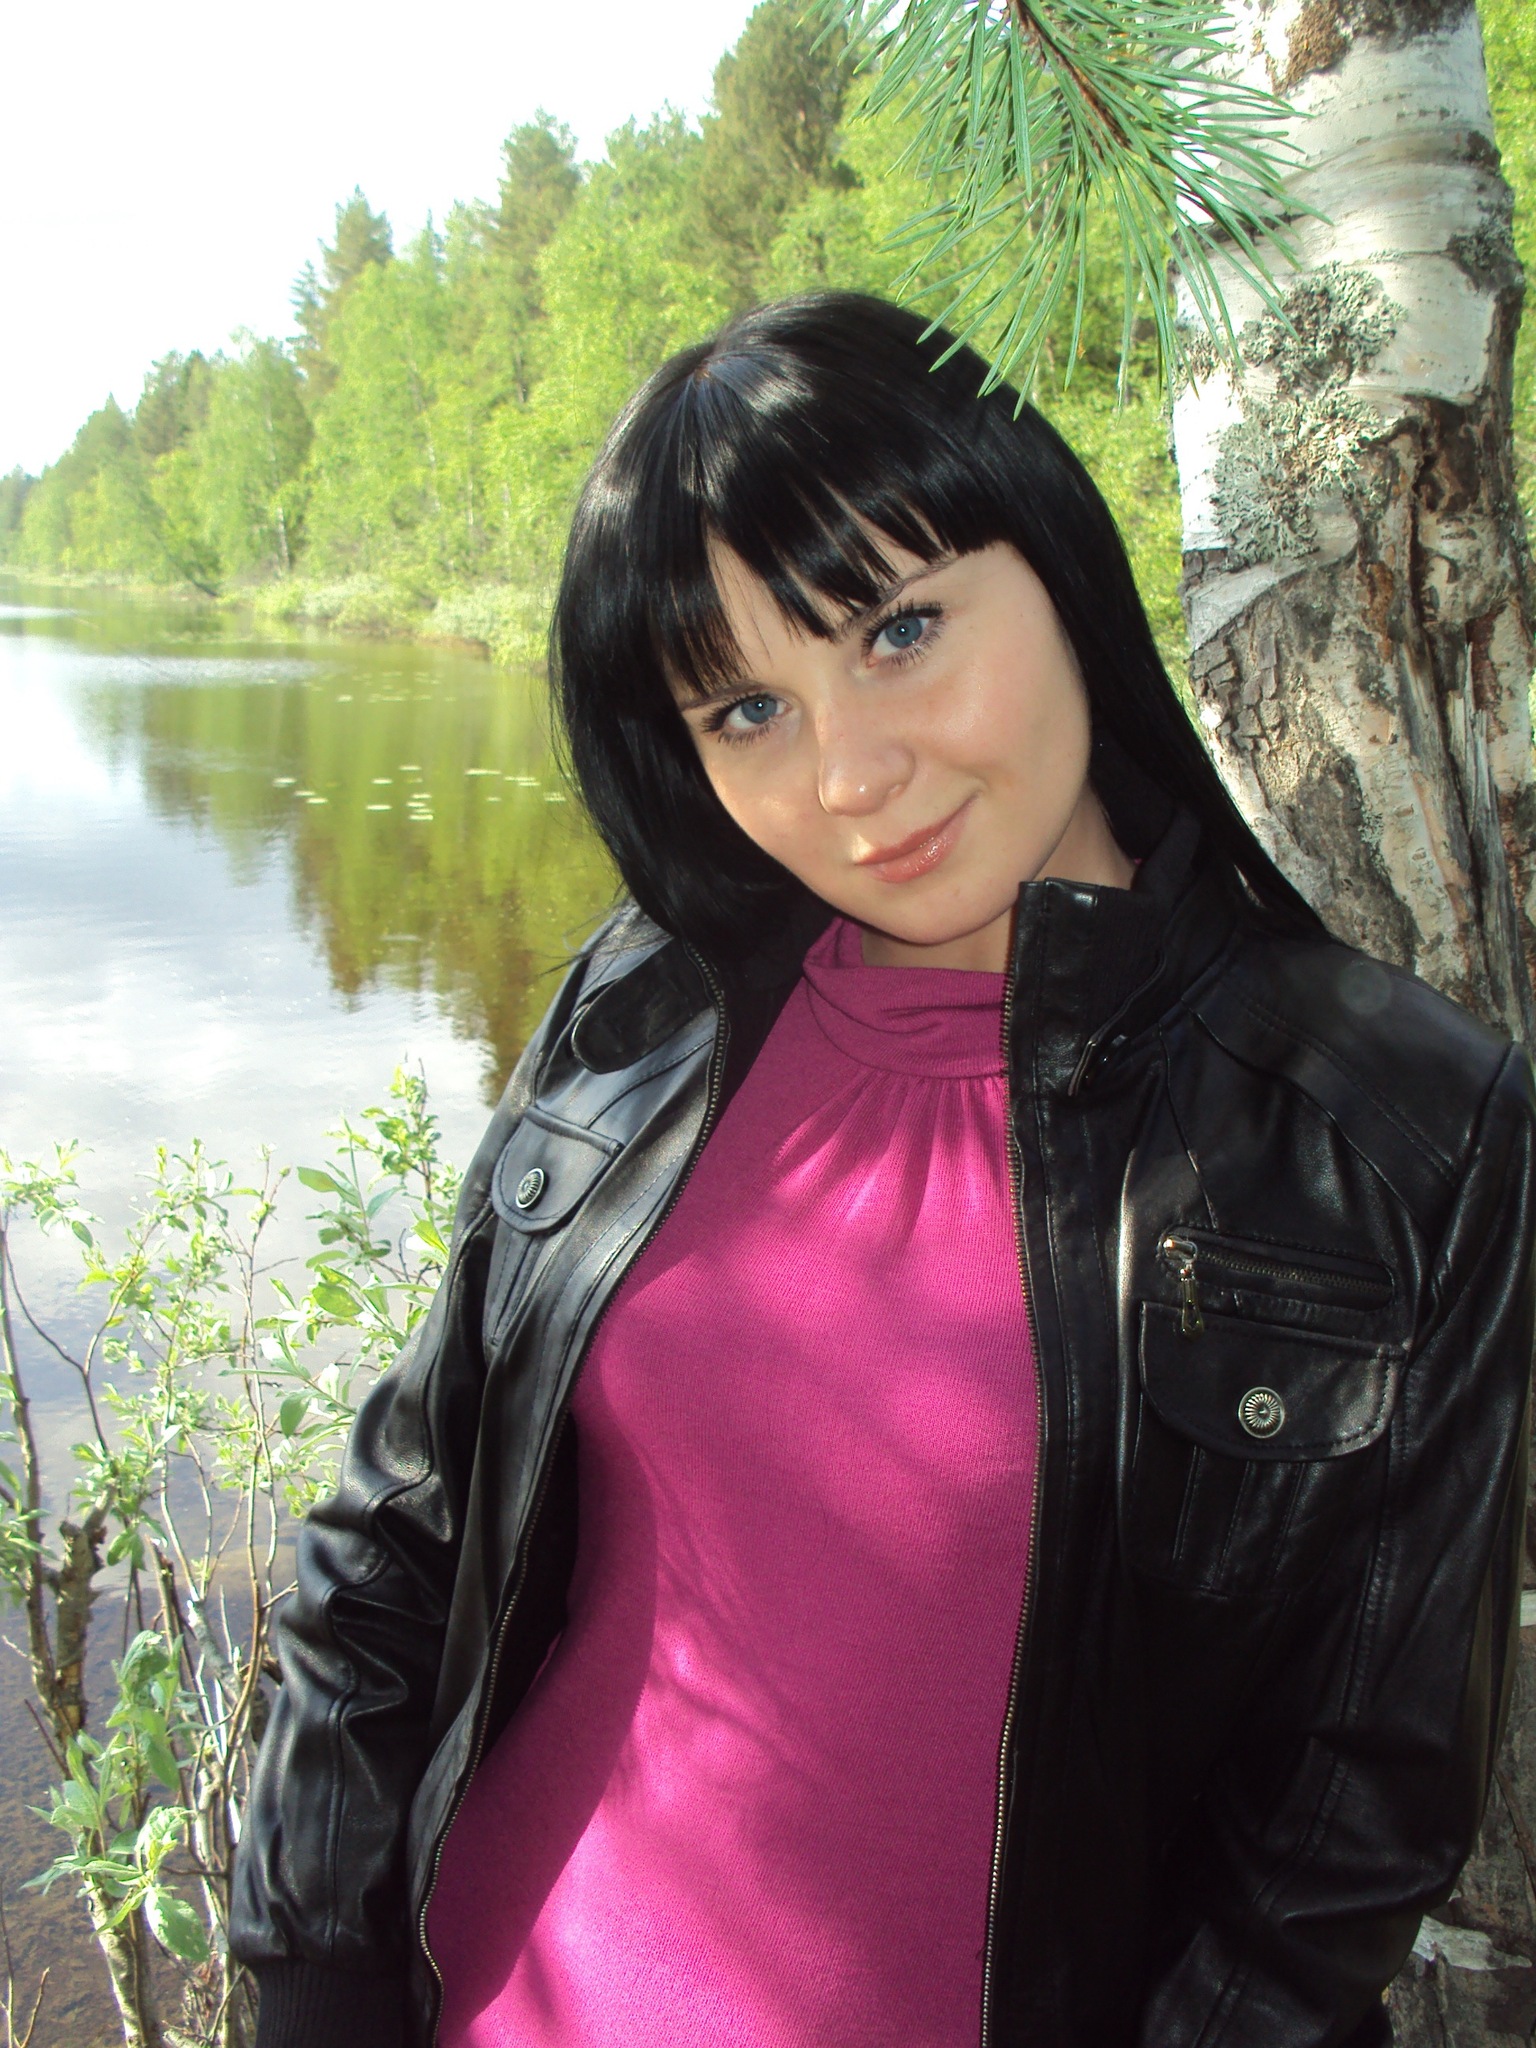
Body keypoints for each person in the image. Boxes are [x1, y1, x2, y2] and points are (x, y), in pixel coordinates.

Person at [230, 292, 1536, 2048]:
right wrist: (311, 1981)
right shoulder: (647, 1005)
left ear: (1060, 565)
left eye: (899, 629)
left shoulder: (1392, 1128)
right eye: (745, 711)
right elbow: (396, 1541)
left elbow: (1342, 1837)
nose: (852, 776)